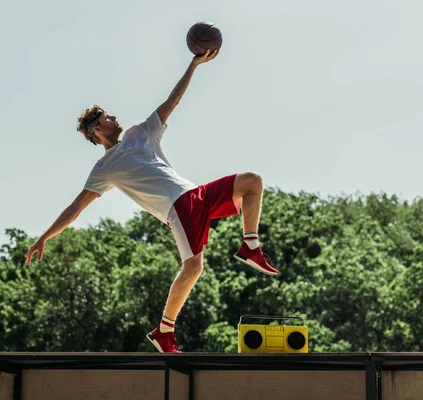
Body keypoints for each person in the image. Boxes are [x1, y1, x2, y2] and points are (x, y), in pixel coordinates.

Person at [24, 49, 278, 353]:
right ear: (97, 131)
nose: (115, 117)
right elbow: (76, 208)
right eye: (107, 117)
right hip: (177, 208)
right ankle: (164, 331)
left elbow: (172, 102)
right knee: (194, 267)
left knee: (252, 181)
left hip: (195, 193)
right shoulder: (104, 169)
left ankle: (250, 246)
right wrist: (44, 236)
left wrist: (193, 65)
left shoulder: (139, 134)